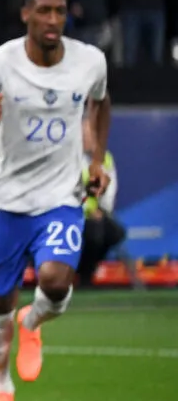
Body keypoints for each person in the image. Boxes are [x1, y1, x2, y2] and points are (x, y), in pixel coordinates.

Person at [0, 0, 110, 401]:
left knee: (56, 281)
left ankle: (33, 320)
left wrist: (96, 161)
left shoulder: (90, 61)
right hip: (8, 200)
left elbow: (101, 101)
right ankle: (0, 387)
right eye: (43, 10)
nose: (53, 19)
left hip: (61, 195)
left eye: (59, 10)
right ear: (25, 15)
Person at [77, 120, 124, 286]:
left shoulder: (105, 158)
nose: (86, 137)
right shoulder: (70, 158)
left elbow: (110, 189)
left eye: (89, 133)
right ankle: (80, 274)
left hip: (98, 213)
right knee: (94, 232)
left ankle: (87, 271)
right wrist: (86, 209)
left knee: (115, 232)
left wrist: (102, 210)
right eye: (83, 133)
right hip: (74, 213)